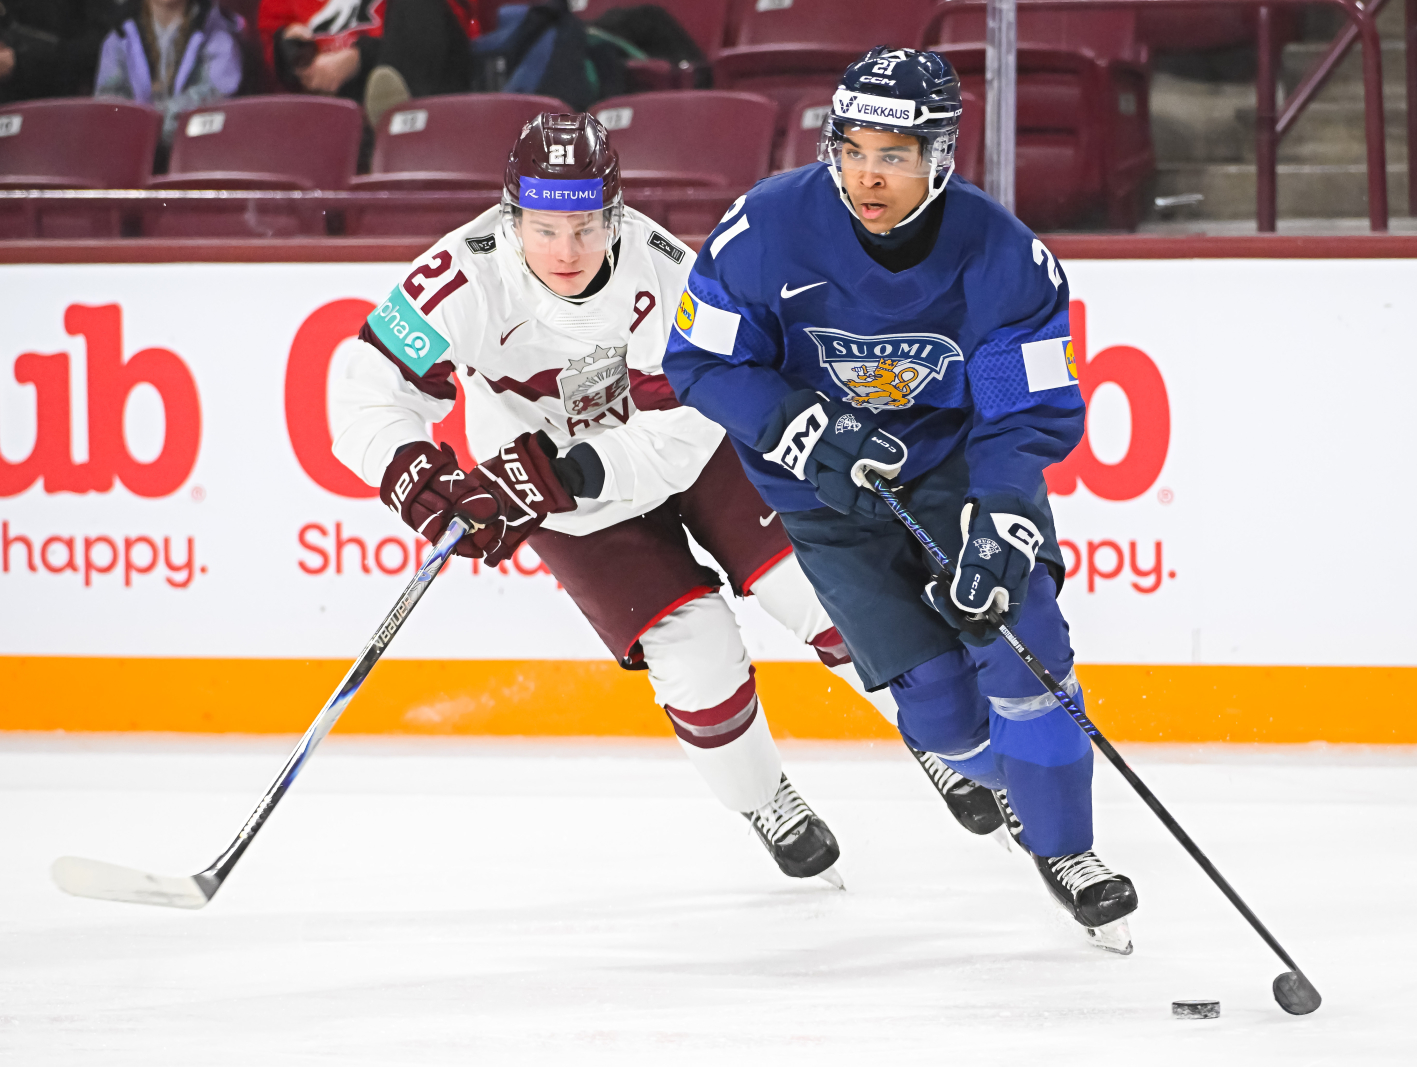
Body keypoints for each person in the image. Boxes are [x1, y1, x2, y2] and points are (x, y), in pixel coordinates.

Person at [328, 111, 993, 887]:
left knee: (825, 593)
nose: (566, 251)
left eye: (585, 227)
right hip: (557, 500)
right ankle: (763, 796)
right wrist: (412, 475)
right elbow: (364, 381)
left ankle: (945, 740)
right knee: (694, 649)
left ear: (616, 215)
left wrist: (567, 471)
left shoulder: (668, 270)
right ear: (510, 220)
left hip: (691, 455)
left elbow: (686, 424)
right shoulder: (460, 275)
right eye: (544, 229)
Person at [662, 47, 1140, 952]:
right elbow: (702, 360)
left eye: (894, 155)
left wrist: (1001, 513)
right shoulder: (766, 227)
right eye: (852, 151)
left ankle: (1067, 849)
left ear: (941, 156)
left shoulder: (1003, 257)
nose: (868, 177)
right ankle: (986, 772)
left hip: (953, 474)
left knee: (1026, 647)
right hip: (821, 498)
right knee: (940, 707)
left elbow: (1023, 410)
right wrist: (801, 428)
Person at [256, 0, 477, 125]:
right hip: (332, 113)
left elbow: (447, 33)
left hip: (422, 103)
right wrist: (292, 51)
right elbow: (273, 52)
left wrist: (361, 57)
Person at [95, 0, 244, 145]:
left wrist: (159, 123)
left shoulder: (217, 32)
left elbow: (218, 93)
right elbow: (108, 103)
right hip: (134, 148)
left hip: (198, 147)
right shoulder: (120, 35)